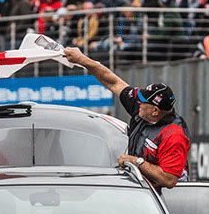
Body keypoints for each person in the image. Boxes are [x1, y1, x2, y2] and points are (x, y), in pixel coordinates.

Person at [64, 47, 190, 189]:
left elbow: (169, 180)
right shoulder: (142, 109)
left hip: (167, 200)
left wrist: (136, 162)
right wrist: (82, 60)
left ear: (155, 111)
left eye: (143, 100)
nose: (138, 101)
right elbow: (113, 82)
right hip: (142, 191)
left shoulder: (173, 134)